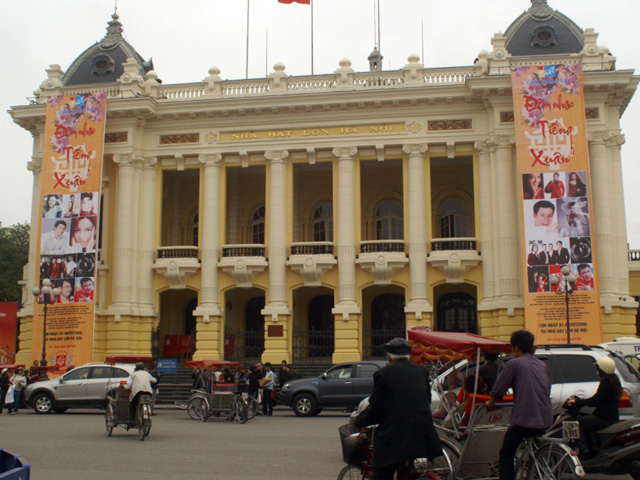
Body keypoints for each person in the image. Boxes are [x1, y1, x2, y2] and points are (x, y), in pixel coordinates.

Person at [353, 338, 443, 480]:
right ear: (409, 355)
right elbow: (427, 399)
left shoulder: (384, 373)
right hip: (423, 434)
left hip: (396, 437)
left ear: (389, 356)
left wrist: (359, 421)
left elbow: (376, 407)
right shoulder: (421, 371)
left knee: (382, 474)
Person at [486, 330, 552, 480]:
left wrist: (491, 402)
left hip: (525, 418)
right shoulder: (542, 365)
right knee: (535, 446)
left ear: (515, 348)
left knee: (506, 454)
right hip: (544, 417)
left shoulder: (514, 364)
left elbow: (498, 389)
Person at [566, 357, 621, 458]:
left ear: (602, 370)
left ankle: (583, 449)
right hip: (609, 417)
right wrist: (585, 402)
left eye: (598, 369)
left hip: (603, 418)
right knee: (586, 422)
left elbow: (595, 399)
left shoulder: (606, 383)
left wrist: (577, 402)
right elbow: (600, 400)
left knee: (574, 423)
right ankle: (592, 448)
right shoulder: (614, 381)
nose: (597, 371)